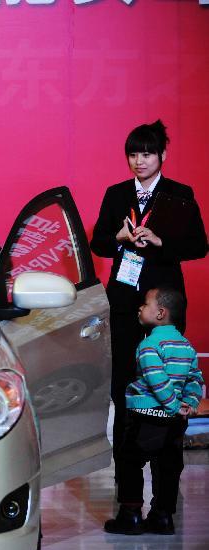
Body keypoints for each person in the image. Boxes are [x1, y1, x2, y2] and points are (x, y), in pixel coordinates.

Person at [90, 120, 207, 465]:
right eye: (133, 154)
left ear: (162, 155)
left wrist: (160, 242)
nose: (139, 161)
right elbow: (97, 243)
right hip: (125, 298)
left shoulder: (179, 194)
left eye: (147, 153)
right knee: (124, 377)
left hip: (165, 301)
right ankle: (126, 467)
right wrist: (119, 238)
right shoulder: (116, 194)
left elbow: (200, 245)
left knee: (169, 376)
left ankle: (167, 462)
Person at [104, 287, 203, 535]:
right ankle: (162, 516)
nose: (139, 307)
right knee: (168, 467)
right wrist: (187, 404)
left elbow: (155, 379)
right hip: (175, 420)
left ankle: (131, 515)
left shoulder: (149, 345)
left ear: (160, 313)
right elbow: (195, 380)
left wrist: (169, 406)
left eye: (145, 304)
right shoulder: (187, 347)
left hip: (146, 416)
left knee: (129, 462)